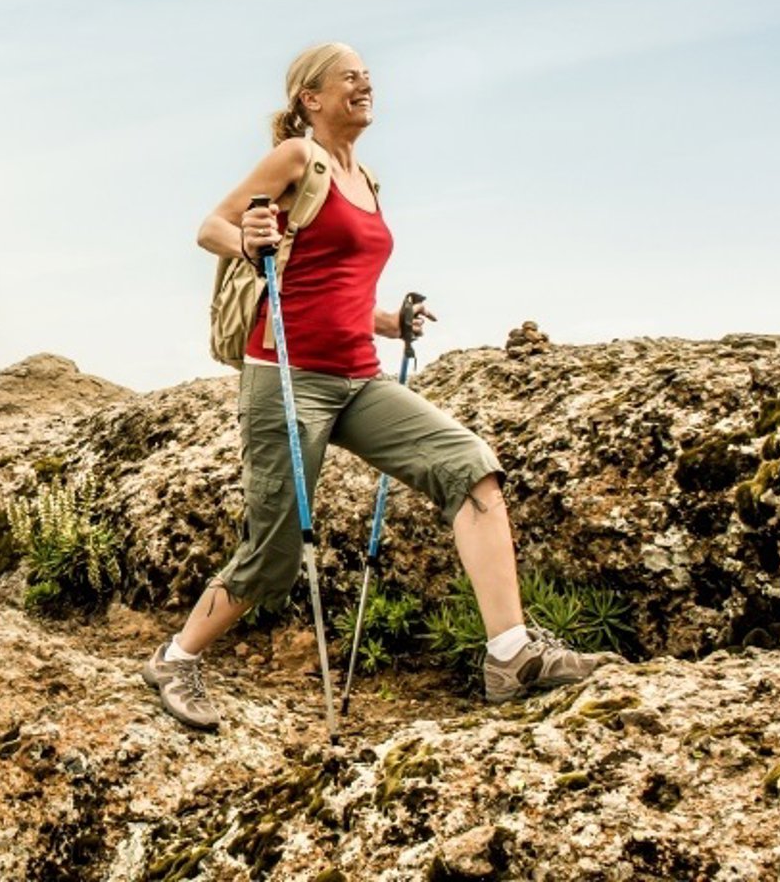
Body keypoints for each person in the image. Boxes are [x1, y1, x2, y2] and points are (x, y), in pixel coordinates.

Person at [146, 43, 614, 730]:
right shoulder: (297, 158)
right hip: (286, 378)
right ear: (311, 98)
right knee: (274, 553)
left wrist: (390, 322)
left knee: (469, 465)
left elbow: (336, 285)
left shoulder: (366, 179)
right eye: (350, 77)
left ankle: (511, 654)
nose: (365, 84)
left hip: (359, 378)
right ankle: (176, 658)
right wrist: (247, 240)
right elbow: (210, 227)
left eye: (368, 76)